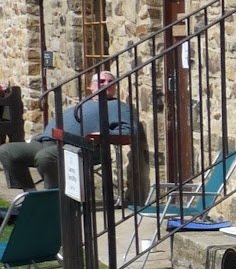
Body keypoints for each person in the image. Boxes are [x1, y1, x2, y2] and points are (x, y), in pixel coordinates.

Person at [0, 71, 135, 190]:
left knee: (46, 157)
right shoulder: (84, 102)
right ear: (91, 86)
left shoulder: (117, 106)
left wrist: (101, 135)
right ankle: (30, 194)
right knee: (7, 150)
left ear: (115, 87)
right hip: (46, 142)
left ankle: (54, 198)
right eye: (101, 81)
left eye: (110, 82)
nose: (106, 84)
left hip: (81, 148)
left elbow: (128, 131)